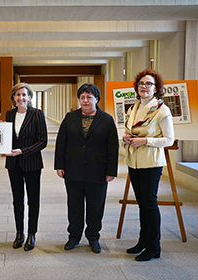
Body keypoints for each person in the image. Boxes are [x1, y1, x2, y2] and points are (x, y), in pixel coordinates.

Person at [54, 83, 119, 254]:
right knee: (74, 206)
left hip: (97, 171)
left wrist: (111, 171)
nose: (85, 100)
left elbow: (113, 147)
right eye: (82, 97)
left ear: (96, 99)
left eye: (89, 97)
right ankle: (74, 237)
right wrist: (59, 165)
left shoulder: (106, 119)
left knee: (95, 206)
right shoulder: (70, 117)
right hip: (72, 169)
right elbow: (61, 143)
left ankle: (93, 237)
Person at [122, 69, 174, 261]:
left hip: (151, 162)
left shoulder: (162, 109)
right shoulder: (133, 107)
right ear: (136, 87)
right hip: (134, 162)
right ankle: (143, 241)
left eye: (149, 84)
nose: (144, 86)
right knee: (142, 204)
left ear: (156, 88)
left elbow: (169, 140)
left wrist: (146, 141)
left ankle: (154, 247)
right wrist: (126, 138)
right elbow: (130, 130)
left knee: (150, 205)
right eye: (141, 83)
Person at [5, 83, 47, 251]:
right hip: (13, 164)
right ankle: (19, 233)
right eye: (17, 95)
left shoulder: (37, 114)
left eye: (24, 94)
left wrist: (23, 151)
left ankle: (31, 234)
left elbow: (43, 141)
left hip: (32, 163)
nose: (20, 98)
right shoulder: (9, 114)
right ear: (13, 98)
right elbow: (5, 137)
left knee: (33, 200)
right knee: (17, 200)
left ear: (29, 97)